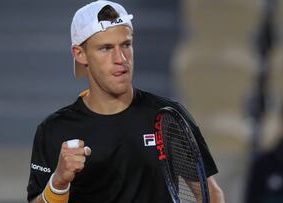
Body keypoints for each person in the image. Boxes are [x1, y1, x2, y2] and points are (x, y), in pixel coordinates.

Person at [26, 1, 224, 202]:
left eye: (126, 45)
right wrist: (58, 184)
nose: (120, 58)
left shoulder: (168, 116)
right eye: (106, 48)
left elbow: (211, 194)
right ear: (80, 54)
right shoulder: (53, 129)